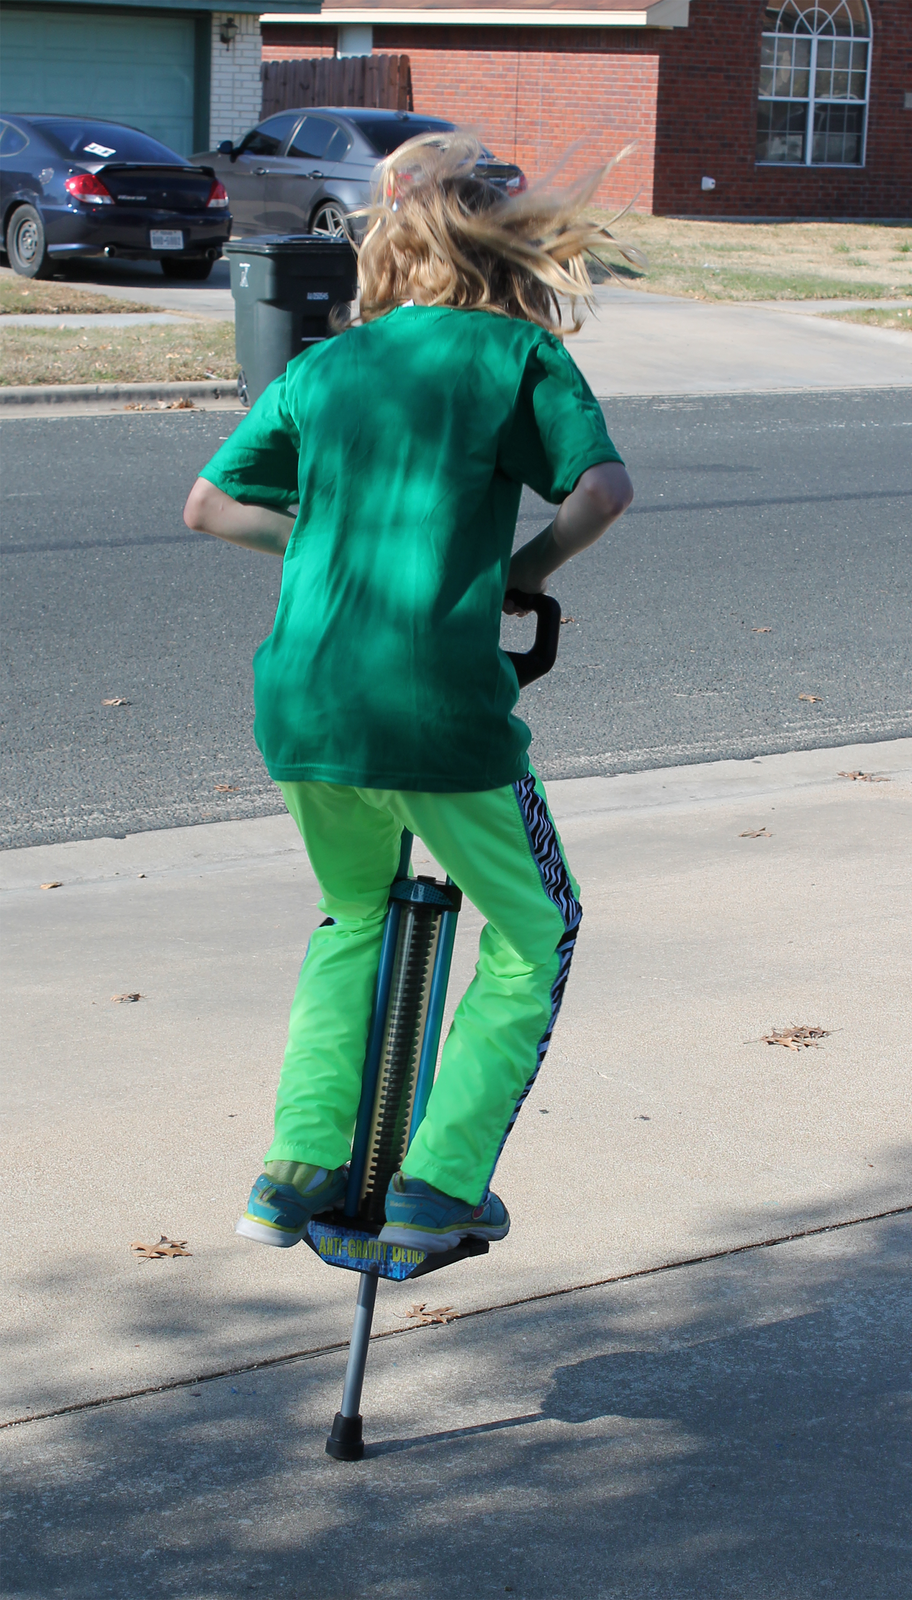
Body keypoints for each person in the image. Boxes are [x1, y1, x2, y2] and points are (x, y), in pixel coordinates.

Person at [183, 133, 634, 1255]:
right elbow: (602, 490)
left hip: (305, 705)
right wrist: (520, 572)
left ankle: (295, 1166)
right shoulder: (511, 355)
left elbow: (209, 506)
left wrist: (329, 549)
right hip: (436, 707)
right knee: (540, 928)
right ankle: (437, 1182)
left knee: (351, 916)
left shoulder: (325, 366)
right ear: (502, 243)